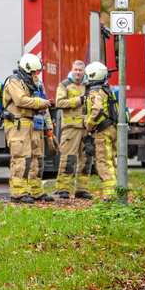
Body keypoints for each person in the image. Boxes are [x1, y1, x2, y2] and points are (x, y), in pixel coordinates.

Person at [2, 53, 54, 203]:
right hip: (18, 125)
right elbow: (21, 100)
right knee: (21, 159)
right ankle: (18, 193)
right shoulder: (14, 81)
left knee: (36, 159)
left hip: (35, 124)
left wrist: (48, 126)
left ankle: (36, 191)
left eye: (36, 72)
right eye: (33, 72)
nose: (35, 74)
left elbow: (45, 107)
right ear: (26, 69)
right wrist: (41, 102)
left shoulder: (36, 82)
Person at [82, 62, 118, 199]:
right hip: (112, 128)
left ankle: (109, 195)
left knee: (102, 161)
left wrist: (89, 125)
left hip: (102, 131)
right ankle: (116, 190)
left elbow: (97, 109)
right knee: (111, 160)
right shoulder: (106, 90)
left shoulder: (95, 91)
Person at [53, 60, 88, 200]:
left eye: (80, 70)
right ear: (72, 70)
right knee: (68, 159)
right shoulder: (64, 85)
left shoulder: (88, 86)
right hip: (71, 128)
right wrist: (78, 100)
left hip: (86, 127)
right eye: (76, 70)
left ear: (84, 71)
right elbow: (59, 102)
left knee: (86, 160)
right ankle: (63, 189)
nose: (78, 72)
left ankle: (82, 189)